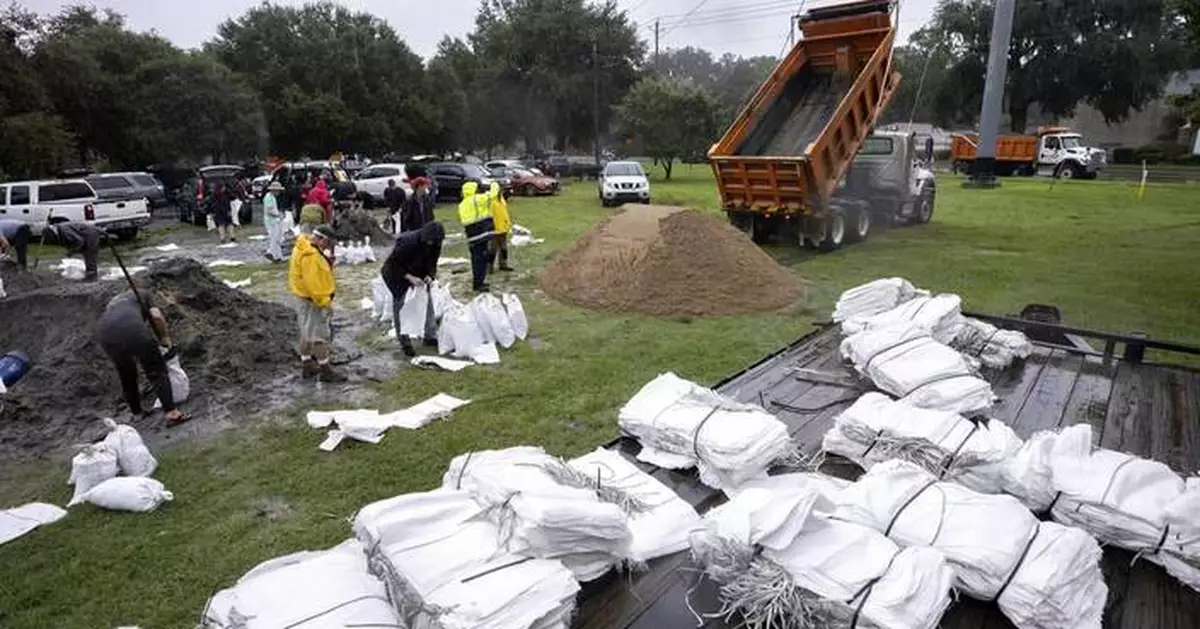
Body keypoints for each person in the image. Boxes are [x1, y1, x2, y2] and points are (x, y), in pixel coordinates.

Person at [96, 288, 187, 426]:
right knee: (156, 370)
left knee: (127, 373)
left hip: (105, 334)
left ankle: (137, 413)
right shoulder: (143, 294)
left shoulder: (113, 305)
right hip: (133, 329)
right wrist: (164, 338)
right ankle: (171, 413)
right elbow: (156, 316)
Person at [287, 224, 346, 382]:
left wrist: (327, 261)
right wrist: (325, 303)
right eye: (328, 243)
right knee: (319, 336)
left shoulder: (303, 246)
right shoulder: (310, 256)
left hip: (302, 297)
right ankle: (326, 370)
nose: (329, 247)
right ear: (322, 239)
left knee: (306, 332)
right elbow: (314, 284)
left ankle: (307, 364)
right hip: (312, 300)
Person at [381, 221, 445, 357]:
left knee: (426, 302)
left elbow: (433, 262)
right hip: (396, 275)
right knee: (401, 306)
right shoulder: (408, 242)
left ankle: (430, 335)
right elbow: (393, 264)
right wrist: (409, 277)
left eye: (434, 243)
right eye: (429, 242)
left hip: (419, 273)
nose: (431, 244)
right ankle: (404, 341)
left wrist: (430, 275)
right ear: (425, 237)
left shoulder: (436, 243)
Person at [456, 179, 499, 293]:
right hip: (482, 233)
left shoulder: (462, 204)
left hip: (472, 236)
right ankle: (478, 284)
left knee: (477, 260)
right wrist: (494, 183)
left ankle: (479, 282)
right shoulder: (477, 199)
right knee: (480, 260)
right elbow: (493, 195)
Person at [488, 184, 514, 273]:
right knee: (492, 249)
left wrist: (507, 224)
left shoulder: (501, 199)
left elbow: (504, 213)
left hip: (503, 228)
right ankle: (489, 267)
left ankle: (503, 265)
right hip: (494, 229)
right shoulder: (491, 202)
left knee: (504, 248)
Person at [262, 181, 285, 262]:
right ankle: (271, 253)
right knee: (274, 238)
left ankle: (278, 256)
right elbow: (269, 210)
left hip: (274, 220)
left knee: (277, 238)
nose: (279, 192)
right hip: (271, 221)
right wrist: (278, 214)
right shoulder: (268, 197)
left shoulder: (272, 197)